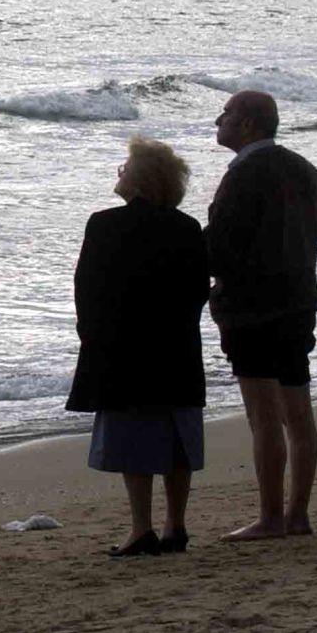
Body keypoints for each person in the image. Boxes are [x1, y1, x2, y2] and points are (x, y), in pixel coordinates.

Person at [206, 89, 317, 541]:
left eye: (226, 114)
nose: (218, 120)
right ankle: (298, 514)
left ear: (248, 124)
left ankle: (270, 518)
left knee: (264, 415)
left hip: (253, 307)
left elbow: (221, 245)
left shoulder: (245, 173)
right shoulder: (296, 164)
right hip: (298, 298)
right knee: (297, 410)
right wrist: (302, 248)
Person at [66, 135, 209, 558]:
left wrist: (90, 336)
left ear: (140, 178)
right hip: (177, 341)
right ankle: (176, 525)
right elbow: (198, 288)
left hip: (123, 344)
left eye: (124, 167)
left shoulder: (105, 223)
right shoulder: (187, 228)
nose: (119, 173)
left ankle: (141, 528)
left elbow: (87, 288)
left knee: (134, 438)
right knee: (178, 432)